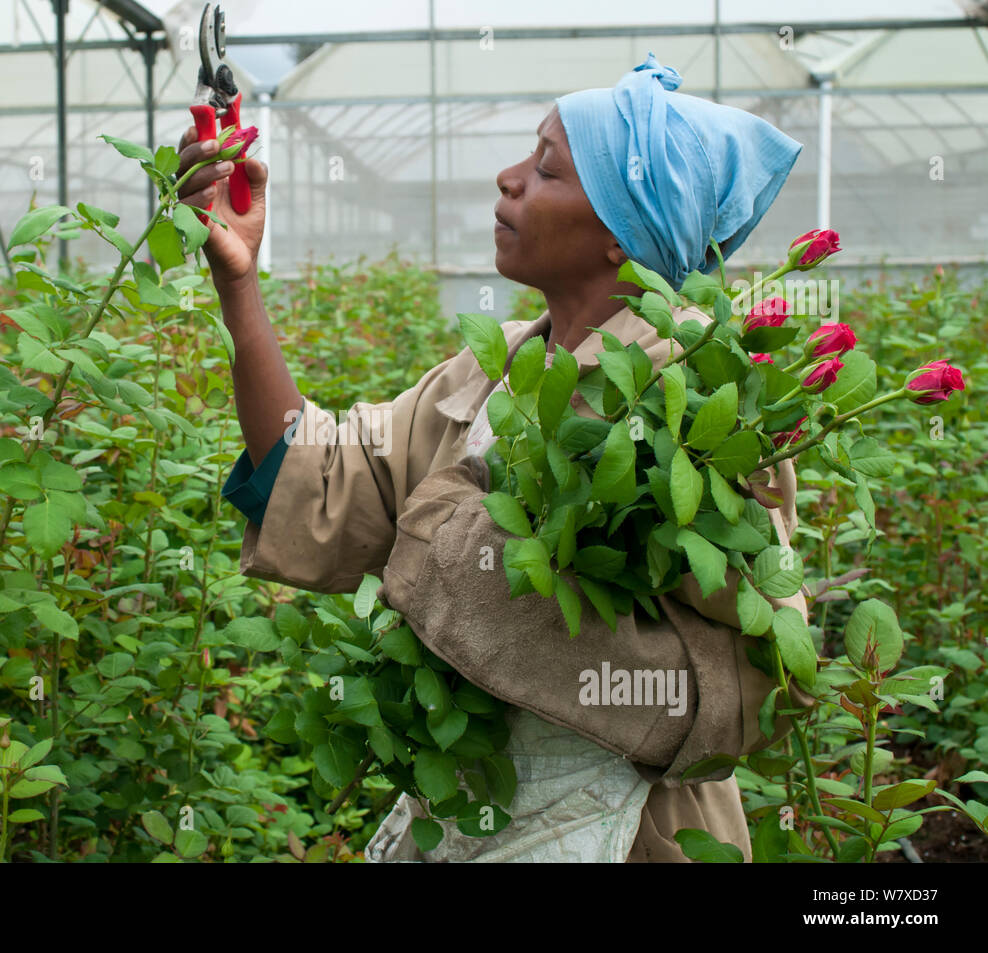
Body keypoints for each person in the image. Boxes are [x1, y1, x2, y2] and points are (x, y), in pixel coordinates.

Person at [173, 52, 812, 862]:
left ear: (622, 232)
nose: (508, 180)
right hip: (475, 814)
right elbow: (322, 473)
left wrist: (490, 595)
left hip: (631, 837)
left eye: (546, 167)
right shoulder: (491, 369)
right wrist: (240, 282)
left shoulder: (694, 398)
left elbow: (766, 667)